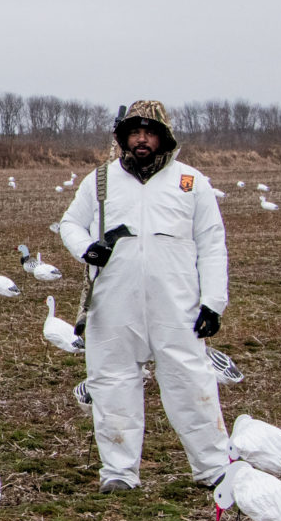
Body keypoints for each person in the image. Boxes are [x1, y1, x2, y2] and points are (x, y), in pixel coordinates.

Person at [56, 100, 232, 492]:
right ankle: (119, 473)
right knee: (112, 384)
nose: (141, 139)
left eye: (149, 132)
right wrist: (87, 249)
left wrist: (213, 302)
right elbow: (70, 223)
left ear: (163, 137)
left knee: (191, 382)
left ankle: (214, 469)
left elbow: (212, 243)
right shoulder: (100, 181)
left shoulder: (191, 182)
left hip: (177, 305)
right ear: (123, 137)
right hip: (113, 304)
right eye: (134, 132)